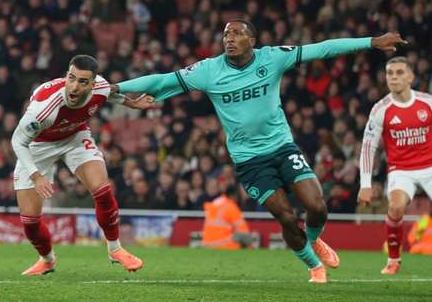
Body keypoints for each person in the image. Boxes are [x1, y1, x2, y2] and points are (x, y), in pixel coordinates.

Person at [114, 20, 405, 284]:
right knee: (287, 218)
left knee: (317, 207)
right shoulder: (208, 71)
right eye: (226, 34)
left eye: (238, 33)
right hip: (249, 160)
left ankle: (313, 239)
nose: (229, 38)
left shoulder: (273, 57)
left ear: (252, 40)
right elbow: (162, 80)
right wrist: (113, 87)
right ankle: (314, 265)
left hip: (282, 146)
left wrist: (371, 41)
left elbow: (323, 49)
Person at [11, 54, 154, 276]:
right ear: (67, 75)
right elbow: (17, 142)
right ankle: (47, 260)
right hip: (37, 146)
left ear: (93, 83)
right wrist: (37, 176)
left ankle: (115, 249)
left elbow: (110, 94)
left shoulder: (101, 87)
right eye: (72, 78)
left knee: (103, 190)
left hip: (75, 137)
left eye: (83, 82)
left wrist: (132, 103)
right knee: (30, 222)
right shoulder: (44, 108)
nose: (75, 86)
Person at [357, 56, 432, 275]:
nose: (394, 77)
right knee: (395, 207)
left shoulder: (427, 102)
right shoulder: (381, 109)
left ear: (411, 77)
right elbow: (368, 147)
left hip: (430, 165)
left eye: (399, 73)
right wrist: (365, 184)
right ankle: (393, 259)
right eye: (390, 73)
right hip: (402, 169)